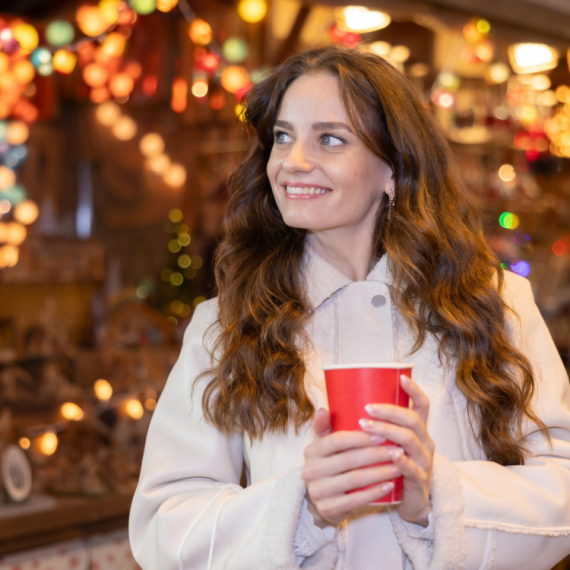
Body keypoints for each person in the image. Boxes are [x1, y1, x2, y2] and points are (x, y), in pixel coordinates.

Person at [129, 46, 570, 570]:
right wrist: (300, 507)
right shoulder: (224, 326)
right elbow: (165, 524)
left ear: (392, 169)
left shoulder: (494, 303)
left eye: (330, 139)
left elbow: (561, 483)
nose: (292, 161)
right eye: (283, 137)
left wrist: (435, 495)